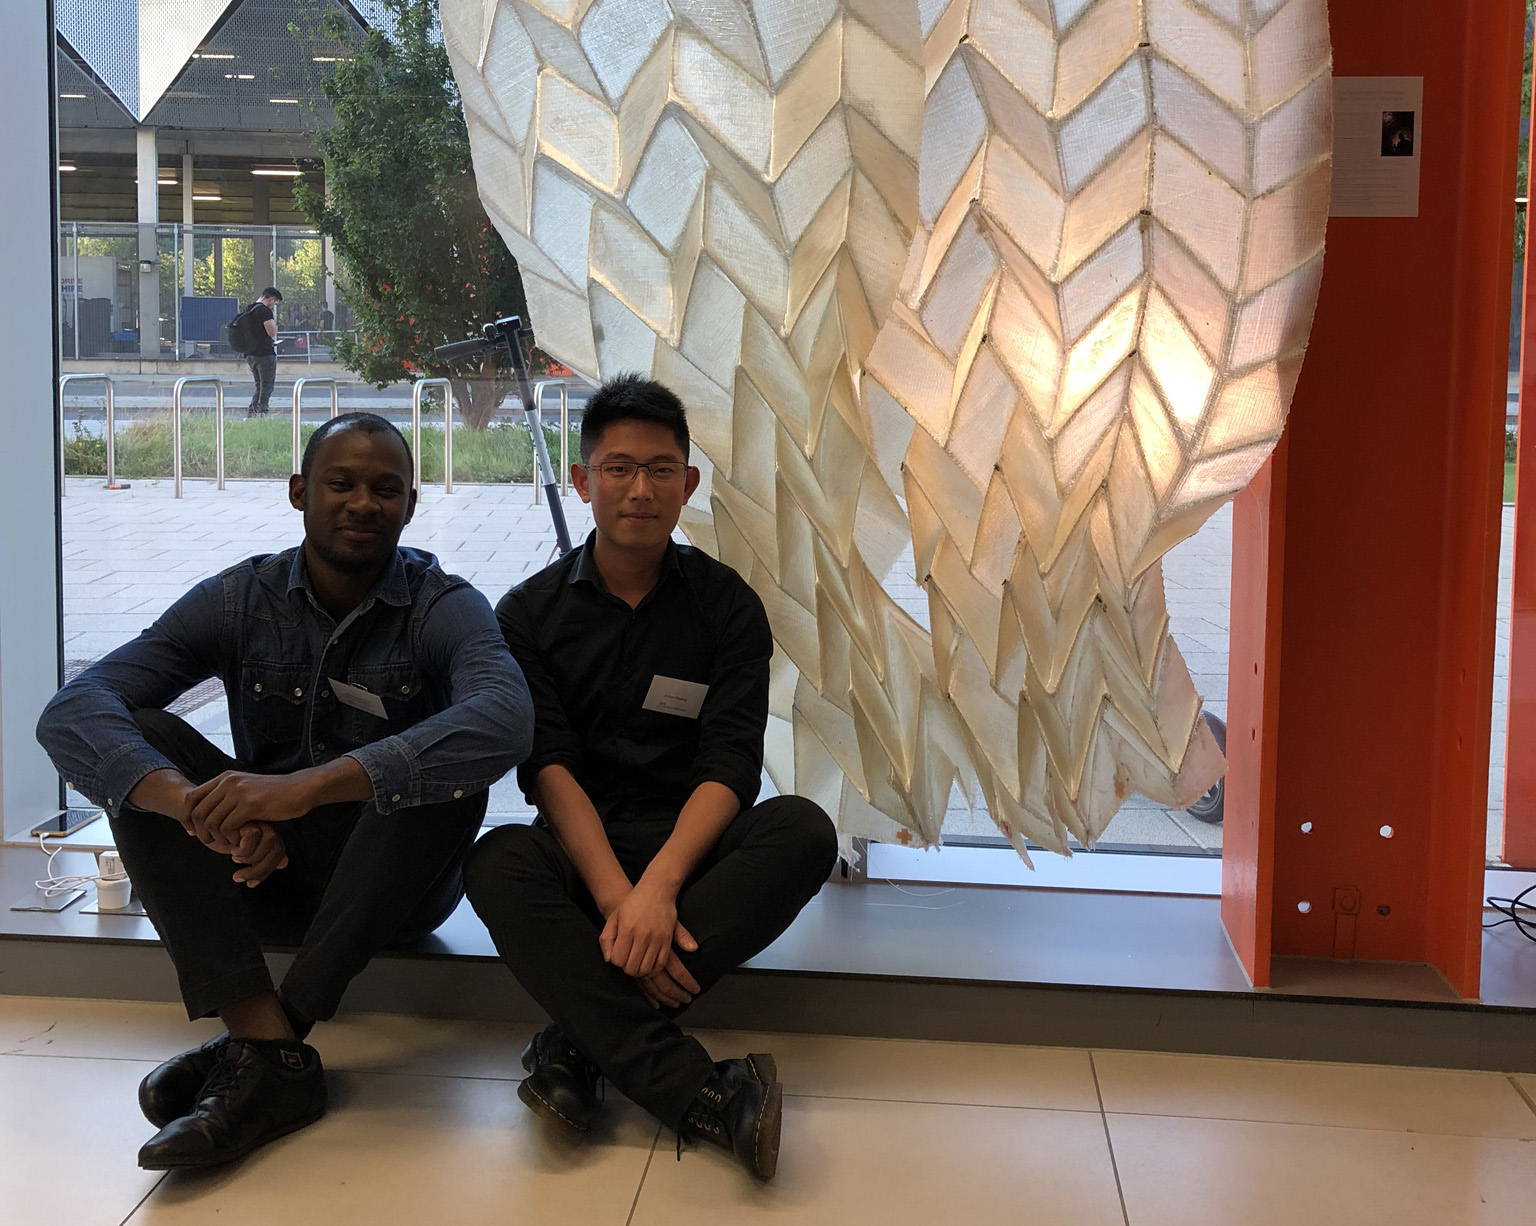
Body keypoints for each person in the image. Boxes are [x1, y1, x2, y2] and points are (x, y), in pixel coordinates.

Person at [36, 412, 533, 1171]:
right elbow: (76, 707)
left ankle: (266, 1043)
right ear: (300, 491)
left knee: (447, 773)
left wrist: (300, 791)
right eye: (341, 484)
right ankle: (267, 1049)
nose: (363, 502)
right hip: (257, 872)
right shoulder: (239, 598)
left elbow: (506, 717)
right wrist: (200, 812)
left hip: (392, 887)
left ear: (409, 506)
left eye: (385, 489)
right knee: (142, 734)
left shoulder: (442, 603)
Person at [466, 374, 838, 1181]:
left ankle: (579, 1040)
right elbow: (548, 767)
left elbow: (731, 762)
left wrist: (661, 888)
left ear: (688, 484)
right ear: (582, 481)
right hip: (581, 851)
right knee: (494, 861)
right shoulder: (526, 614)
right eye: (619, 469)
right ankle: (706, 1093)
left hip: (691, 849)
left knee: (804, 829)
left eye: (662, 470)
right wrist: (617, 899)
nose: (641, 489)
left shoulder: (727, 605)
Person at [245, 287, 281, 416]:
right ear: (271, 299)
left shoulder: (250, 308)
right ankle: (262, 413)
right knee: (266, 386)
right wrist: (273, 317)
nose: (274, 306)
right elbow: (272, 332)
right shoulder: (264, 311)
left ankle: (252, 413)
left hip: (250, 353)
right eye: (274, 303)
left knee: (259, 386)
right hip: (264, 354)